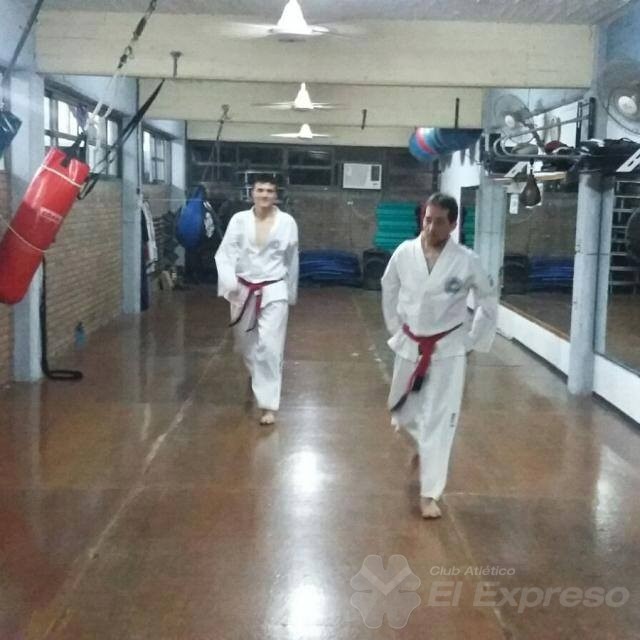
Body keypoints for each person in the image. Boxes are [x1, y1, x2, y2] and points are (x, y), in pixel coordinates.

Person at [381, 192, 497, 519]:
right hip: (410, 343)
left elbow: (488, 300)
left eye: (440, 221)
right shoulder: (405, 252)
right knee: (400, 412)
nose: (431, 227)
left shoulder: (467, 260)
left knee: (440, 420)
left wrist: (472, 341)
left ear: (454, 224)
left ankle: (430, 493)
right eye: (427, 219)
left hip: (447, 348)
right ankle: (422, 446)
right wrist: (395, 328)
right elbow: (389, 287)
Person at [215, 175, 299, 425]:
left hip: (274, 288)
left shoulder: (287, 222)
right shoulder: (239, 220)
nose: (264, 195)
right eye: (260, 190)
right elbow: (225, 253)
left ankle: (268, 406)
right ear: (251, 193)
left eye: (269, 191)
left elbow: (292, 258)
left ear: (276, 195)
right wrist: (229, 284)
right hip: (243, 288)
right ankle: (257, 373)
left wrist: (290, 292)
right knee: (245, 345)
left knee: (271, 347)